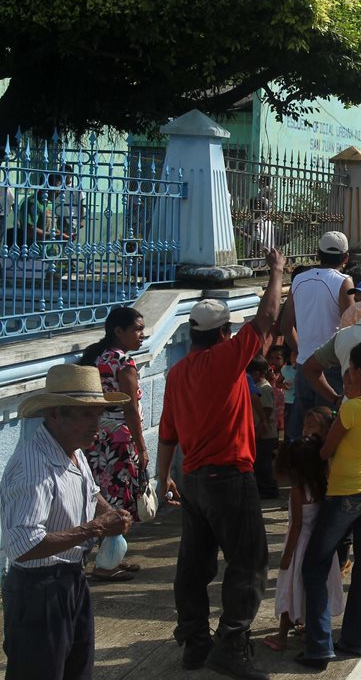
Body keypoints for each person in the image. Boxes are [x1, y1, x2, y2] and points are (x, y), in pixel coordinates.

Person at [156, 248, 285, 680]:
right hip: (229, 476)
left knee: (193, 564)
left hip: (192, 478)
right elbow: (266, 317)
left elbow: (168, 433)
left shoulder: (177, 373)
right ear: (224, 332)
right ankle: (232, 642)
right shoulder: (227, 359)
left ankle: (195, 642)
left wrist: (161, 481)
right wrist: (277, 271)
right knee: (248, 563)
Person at [1, 365, 134, 680]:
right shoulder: (34, 465)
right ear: (56, 414)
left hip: (70, 579)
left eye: (98, 415)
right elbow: (24, 544)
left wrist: (107, 512)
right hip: (39, 591)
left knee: (77, 669)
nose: (96, 425)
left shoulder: (72, 451)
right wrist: (97, 528)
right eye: (86, 415)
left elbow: (90, 492)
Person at [296, 342, 361, 669]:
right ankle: (356, 639)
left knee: (315, 564)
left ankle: (319, 646)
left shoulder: (353, 408)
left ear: (360, 371)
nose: (347, 374)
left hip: (344, 494)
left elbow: (325, 451)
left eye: (350, 368)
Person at [79, 306, 147, 581]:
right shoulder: (122, 363)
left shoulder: (96, 357)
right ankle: (106, 565)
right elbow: (130, 408)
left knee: (101, 495)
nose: (142, 335)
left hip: (98, 439)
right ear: (119, 331)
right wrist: (142, 447)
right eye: (138, 329)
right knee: (118, 499)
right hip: (119, 439)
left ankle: (111, 555)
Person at [263, 419, 343, 653]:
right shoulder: (322, 484)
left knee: (289, 589)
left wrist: (286, 557)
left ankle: (281, 637)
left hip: (299, 546)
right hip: (319, 544)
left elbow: (296, 526)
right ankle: (309, 627)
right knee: (313, 590)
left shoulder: (298, 491)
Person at [280, 231, 353, 440]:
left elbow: (286, 326)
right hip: (332, 366)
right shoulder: (344, 282)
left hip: (304, 365)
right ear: (345, 257)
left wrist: (302, 352)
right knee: (329, 429)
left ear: (317, 254)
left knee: (303, 429)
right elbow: (349, 327)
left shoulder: (299, 279)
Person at [247, 356, 280, 499]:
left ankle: (268, 490)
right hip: (261, 431)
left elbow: (266, 410)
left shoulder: (264, 388)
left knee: (263, 465)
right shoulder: (260, 387)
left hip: (265, 434)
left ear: (256, 373)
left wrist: (260, 429)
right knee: (260, 463)